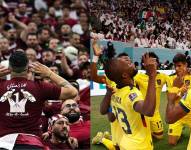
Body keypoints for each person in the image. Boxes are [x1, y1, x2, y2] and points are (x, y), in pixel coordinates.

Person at [0, 50, 77, 149]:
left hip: (4, 144)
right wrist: (50, 73)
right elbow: (72, 91)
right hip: (32, 144)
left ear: (9, 67)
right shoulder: (40, 87)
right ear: (28, 67)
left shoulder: (1, 86)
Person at [103, 53, 157, 150]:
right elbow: (149, 111)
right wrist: (152, 75)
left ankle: (103, 139)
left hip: (126, 143)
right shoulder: (132, 93)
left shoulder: (115, 91)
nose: (131, 63)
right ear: (124, 75)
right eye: (128, 64)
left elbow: (111, 118)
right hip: (139, 146)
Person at [134, 52, 171, 139]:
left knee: (159, 136)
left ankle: (147, 131)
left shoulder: (163, 76)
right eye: (150, 61)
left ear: (158, 63)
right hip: (143, 112)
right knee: (139, 137)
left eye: (154, 61)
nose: (153, 64)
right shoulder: (138, 77)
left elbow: (174, 81)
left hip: (155, 113)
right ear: (144, 64)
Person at [166, 53, 191, 146]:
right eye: (175, 66)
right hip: (176, 112)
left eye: (179, 66)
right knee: (172, 143)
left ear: (186, 65)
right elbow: (169, 98)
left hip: (189, 112)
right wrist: (181, 93)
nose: (177, 68)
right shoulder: (171, 78)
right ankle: (180, 129)